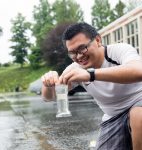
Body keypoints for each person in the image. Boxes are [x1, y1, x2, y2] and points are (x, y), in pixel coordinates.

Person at [41, 22, 142, 150]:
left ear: (98, 40)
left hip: (139, 103)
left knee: (138, 114)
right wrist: (48, 84)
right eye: (72, 53)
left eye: (82, 48)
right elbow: (49, 97)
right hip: (113, 116)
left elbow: (138, 71)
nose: (78, 56)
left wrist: (90, 74)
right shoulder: (75, 69)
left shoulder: (118, 50)